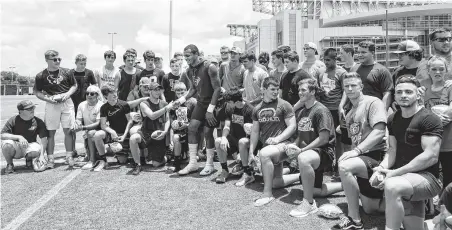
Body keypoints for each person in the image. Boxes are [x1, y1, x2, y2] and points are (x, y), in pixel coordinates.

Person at [375, 76, 443, 230]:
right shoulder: (393, 118)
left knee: (392, 186)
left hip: (429, 178)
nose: (403, 95)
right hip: (405, 177)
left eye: (408, 92)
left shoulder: (429, 119)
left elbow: (430, 157)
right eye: (399, 92)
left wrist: (395, 173)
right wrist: (381, 168)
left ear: (418, 95)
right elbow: (392, 150)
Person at [332, 72, 387, 229]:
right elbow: (354, 139)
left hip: (378, 156)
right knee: (371, 209)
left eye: (353, 85)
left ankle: (354, 220)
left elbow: (379, 131)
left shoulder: (373, 102)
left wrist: (356, 151)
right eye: (346, 86)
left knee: (344, 166)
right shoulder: (349, 114)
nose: (350, 89)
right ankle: (411, 204)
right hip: (362, 159)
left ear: (361, 87)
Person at [287, 79, 343, 217]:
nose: (300, 93)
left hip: (325, 153)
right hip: (311, 154)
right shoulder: (301, 112)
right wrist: (294, 145)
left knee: (304, 158)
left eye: (303, 90)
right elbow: (301, 136)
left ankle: (309, 204)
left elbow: (323, 139)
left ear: (312, 92)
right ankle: (348, 186)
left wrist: (301, 151)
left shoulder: (321, 110)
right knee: (314, 190)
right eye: (299, 90)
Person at [175, 44, 222, 176]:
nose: (186, 58)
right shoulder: (189, 70)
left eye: (188, 56)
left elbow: (217, 89)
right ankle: (193, 164)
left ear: (196, 54)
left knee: (207, 133)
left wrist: (210, 110)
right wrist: (181, 101)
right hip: (201, 103)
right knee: (191, 128)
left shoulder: (210, 67)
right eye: (184, 56)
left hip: (214, 103)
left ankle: (210, 164)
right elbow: (193, 89)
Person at [251, 76, 297, 207]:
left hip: (285, 145)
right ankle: (300, 176)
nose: (275, 92)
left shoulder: (284, 105)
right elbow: (254, 132)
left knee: (264, 154)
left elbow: (292, 126)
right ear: (263, 89)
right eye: (272, 89)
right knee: (276, 182)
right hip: (270, 147)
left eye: (277, 89)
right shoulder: (257, 108)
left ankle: (267, 195)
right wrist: (250, 152)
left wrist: (278, 139)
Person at [34, 50, 77, 168]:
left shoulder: (67, 72)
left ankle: (69, 156)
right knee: (50, 132)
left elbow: (74, 85)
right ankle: (51, 159)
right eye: (54, 59)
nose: (57, 61)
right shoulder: (41, 75)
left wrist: (67, 94)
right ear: (47, 60)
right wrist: (47, 99)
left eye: (59, 59)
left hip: (67, 102)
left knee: (68, 130)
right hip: (51, 103)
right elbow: (37, 92)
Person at [129, 82, 174, 175]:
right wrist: (166, 108)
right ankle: (138, 164)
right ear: (149, 91)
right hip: (146, 132)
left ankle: (167, 156)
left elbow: (167, 120)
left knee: (156, 164)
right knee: (133, 138)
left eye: (159, 89)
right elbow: (152, 116)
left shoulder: (164, 103)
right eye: (155, 90)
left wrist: (165, 131)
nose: (158, 92)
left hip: (158, 134)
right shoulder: (144, 103)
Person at [422, 56, 452, 188]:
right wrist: (436, 120)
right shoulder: (423, 90)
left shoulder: (450, 87)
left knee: (448, 175)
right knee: (430, 174)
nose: (437, 72)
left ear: (446, 70)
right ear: (428, 70)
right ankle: (430, 206)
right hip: (430, 141)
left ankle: (446, 206)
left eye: (441, 69)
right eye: (434, 69)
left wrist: (435, 119)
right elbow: (420, 113)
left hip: (448, 141)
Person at [316, 48, 347, 175]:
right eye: (324, 60)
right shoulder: (320, 71)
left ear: (335, 59)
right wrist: (319, 91)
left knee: (339, 138)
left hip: (336, 109)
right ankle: (326, 163)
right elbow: (317, 87)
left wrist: (341, 106)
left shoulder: (341, 72)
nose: (326, 62)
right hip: (324, 109)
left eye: (328, 60)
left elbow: (346, 90)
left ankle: (339, 164)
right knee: (325, 137)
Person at [214, 87, 254, 183]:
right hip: (235, 141)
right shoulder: (231, 109)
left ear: (236, 102)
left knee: (242, 142)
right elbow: (227, 126)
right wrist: (224, 137)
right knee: (218, 141)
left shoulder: (250, 110)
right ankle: (224, 170)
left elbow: (256, 132)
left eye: (229, 102)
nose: (227, 104)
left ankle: (247, 173)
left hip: (248, 143)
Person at [342, 41, 393, 112]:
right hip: (355, 110)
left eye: (363, 52)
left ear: (372, 53)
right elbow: (347, 89)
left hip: (373, 110)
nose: (360, 55)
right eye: (358, 52)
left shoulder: (382, 71)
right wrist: (341, 106)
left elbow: (387, 94)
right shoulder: (354, 69)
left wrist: (382, 112)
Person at [93, 85, 134, 172]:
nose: (115, 94)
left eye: (115, 92)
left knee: (122, 161)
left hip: (124, 134)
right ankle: (103, 160)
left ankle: (121, 151)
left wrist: (124, 135)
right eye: (111, 93)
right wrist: (112, 132)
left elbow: (130, 121)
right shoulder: (104, 108)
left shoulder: (124, 104)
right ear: (105, 96)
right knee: (97, 135)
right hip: (114, 135)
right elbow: (103, 125)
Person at [1, 100, 48, 173]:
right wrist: (19, 137)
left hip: (29, 146)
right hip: (16, 147)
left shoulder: (38, 121)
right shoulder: (13, 120)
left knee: (36, 150)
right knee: (6, 145)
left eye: (33, 108)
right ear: (21, 111)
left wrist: (42, 155)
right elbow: (2, 135)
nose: (32, 110)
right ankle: (10, 164)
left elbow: (44, 139)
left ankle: (29, 160)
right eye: (29, 109)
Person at [71, 85, 104, 170]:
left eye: (92, 93)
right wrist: (76, 125)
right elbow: (78, 119)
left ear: (97, 95)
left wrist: (82, 128)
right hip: (87, 130)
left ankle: (92, 160)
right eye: (87, 93)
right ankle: (89, 155)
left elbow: (98, 123)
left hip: (100, 131)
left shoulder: (101, 105)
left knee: (90, 133)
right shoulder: (81, 105)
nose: (89, 95)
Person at [70, 54, 96, 160]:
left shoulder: (89, 72)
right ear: (76, 63)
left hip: (86, 104)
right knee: (72, 128)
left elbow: (94, 86)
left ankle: (87, 150)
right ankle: (72, 150)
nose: (83, 65)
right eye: (81, 63)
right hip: (72, 104)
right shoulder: (70, 73)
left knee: (87, 128)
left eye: (84, 63)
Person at [167, 82, 197, 173]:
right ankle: (177, 165)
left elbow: (198, 120)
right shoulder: (174, 104)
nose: (180, 94)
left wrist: (187, 125)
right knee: (176, 137)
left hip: (193, 132)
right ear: (175, 92)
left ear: (186, 91)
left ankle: (193, 156)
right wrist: (174, 124)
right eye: (178, 92)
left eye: (182, 92)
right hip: (180, 132)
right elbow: (172, 121)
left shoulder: (193, 102)